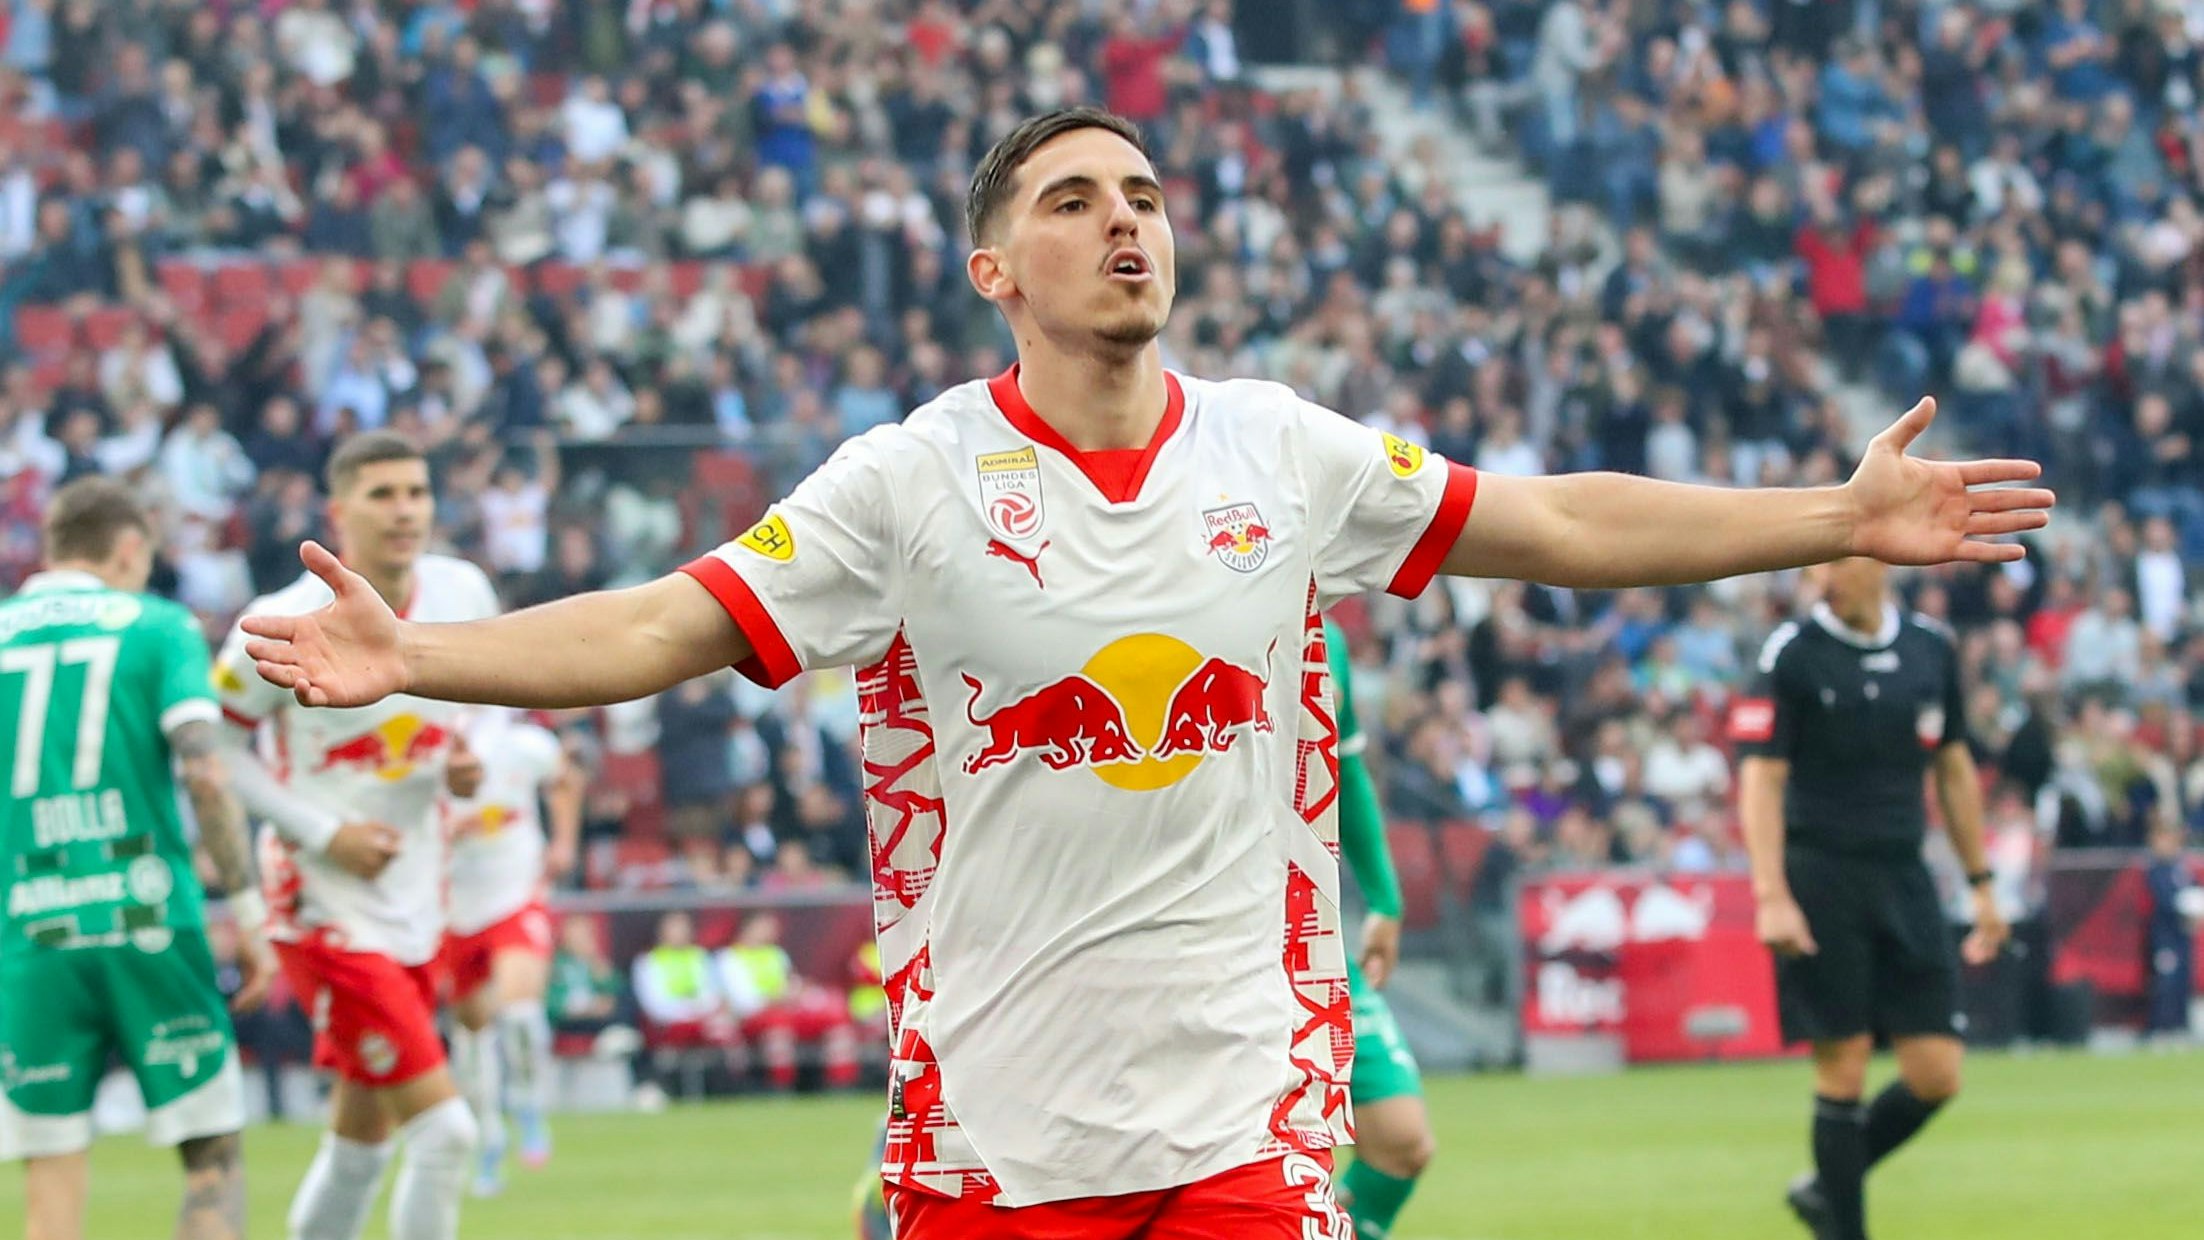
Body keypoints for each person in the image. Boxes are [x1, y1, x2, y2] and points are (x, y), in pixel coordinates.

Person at [238, 107, 2052, 1237]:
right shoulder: (907, 483)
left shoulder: (1284, 450)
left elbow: (1562, 522)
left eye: (1146, 194)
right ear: (991, 267)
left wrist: (1830, 512)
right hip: (994, 1122)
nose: (1126, 220)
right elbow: (660, 626)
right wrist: (420, 657)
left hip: (1246, 1102)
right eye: (1073, 199)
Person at [211, 432, 501, 1240]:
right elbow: (215, 750)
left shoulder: (463, 588)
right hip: (323, 903)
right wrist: (324, 831)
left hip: (418, 891)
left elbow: (488, 710)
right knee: (446, 1135)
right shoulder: (279, 621)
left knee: (360, 1142)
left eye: (416, 492)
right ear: (338, 512)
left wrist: (470, 765)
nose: (404, 510)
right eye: (382, 494)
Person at [0, 477, 274, 1240]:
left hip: (30, 933)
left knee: (50, 1185)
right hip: (148, 919)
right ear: (129, 548)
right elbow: (205, 770)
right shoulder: (158, 626)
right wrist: (248, 914)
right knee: (212, 1162)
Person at [1733, 556, 2012, 1240]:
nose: (1823, 576)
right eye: (1816, 565)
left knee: (1937, 1073)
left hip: (1905, 873)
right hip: (1821, 875)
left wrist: (1981, 885)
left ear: (1879, 561)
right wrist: (1770, 894)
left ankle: (1825, 1185)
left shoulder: (1930, 648)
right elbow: (1762, 780)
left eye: (1836, 560)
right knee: (1845, 1066)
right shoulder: (1789, 653)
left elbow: (1953, 769)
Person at [440, 707, 584, 1196]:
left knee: (520, 1010)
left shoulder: (524, 745)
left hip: (515, 890)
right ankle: (487, 1136)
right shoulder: (425, 746)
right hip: (454, 903)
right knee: (471, 1031)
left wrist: (564, 843)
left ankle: (528, 1102)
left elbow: (566, 780)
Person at [1324, 618, 1435, 1239]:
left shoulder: (1330, 640)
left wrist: (1385, 901)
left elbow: (1346, 769)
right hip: (1217, 938)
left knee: (1400, 1140)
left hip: (1312, 935)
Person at [715, 912, 862, 1093]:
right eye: (765, 926)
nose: (771, 931)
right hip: (755, 1018)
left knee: (835, 1021)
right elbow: (744, 1003)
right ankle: (782, 1087)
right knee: (778, 1028)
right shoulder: (729, 958)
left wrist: (798, 993)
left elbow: (791, 985)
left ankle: (842, 1084)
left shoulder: (776, 954)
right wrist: (780, 997)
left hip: (787, 1011)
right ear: (748, 928)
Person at [2142, 818, 2199, 1041]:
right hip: (2164, 936)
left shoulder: (2181, 868)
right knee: (2166, 980)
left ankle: (2179, 1026)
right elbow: (2164, 899)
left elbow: (2193, 890)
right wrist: (2182, 909)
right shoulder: (2156, 869)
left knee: (2182, 981)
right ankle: (2159, 1028)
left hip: (2182, 935)